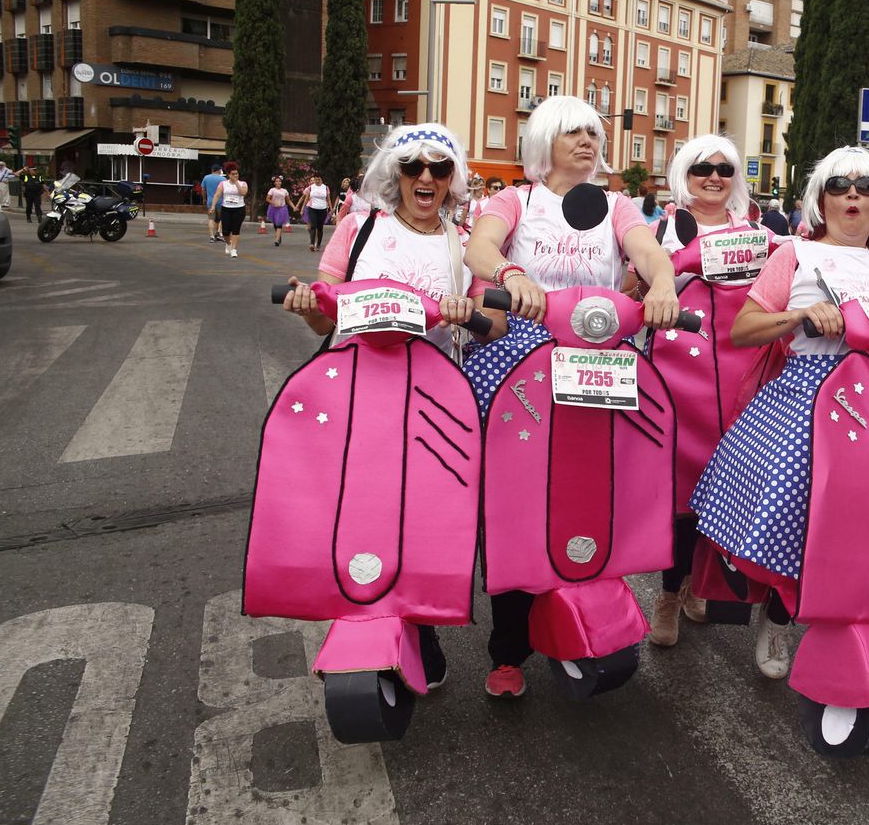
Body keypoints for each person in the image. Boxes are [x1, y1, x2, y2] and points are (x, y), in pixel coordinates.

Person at [692, 146, 869, 680]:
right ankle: (779, 617)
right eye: (839, 185)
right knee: (796, 511)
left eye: (865, 186)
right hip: (806, 398)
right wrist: (800, 315)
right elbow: (743, 330)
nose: (853, 193)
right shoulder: (793, 254)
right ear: (821, 199)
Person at [460, 95, 681, 700]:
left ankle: (594, 595)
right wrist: (510, 275)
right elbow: (479, 247)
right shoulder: (519, 199)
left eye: (592, 132)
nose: (586, 141)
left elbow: (648, 252)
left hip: (596, 358)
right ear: (544, 142)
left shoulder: (616, 204)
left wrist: (661, 283)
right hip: (524, 356)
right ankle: (508, 648)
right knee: (516, 499)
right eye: (571, 132)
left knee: (600, 486)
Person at [279, 122, 505, 692]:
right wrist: (308, 305)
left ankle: (419, 624)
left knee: (421, 515)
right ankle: (365, 611)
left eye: (439, 168)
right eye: (413, 167)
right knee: (359, 507)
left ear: (452, 180)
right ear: (396, 173)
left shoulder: (464, 240)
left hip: (432, 394)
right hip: (356, 391)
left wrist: (467, 314)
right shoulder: (359, 228)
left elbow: (492, 324)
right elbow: (325, 314)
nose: (425, 177)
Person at [644, 133, 766, 646]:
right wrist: (681, 264)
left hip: (744, 371)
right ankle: (669, 593)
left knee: (728, 488)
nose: (714, 177)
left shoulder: (759, 232)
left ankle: (700, 583)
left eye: (724, 169)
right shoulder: (661, 229)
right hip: (679, 374)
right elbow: (634, 290)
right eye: (702, 169)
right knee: (681, 492)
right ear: (684, 175)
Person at [212, 162, 248, 258]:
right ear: (228, 174)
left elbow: (243, 193)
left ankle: (234, 249)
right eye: (233, 174)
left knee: (236, 230)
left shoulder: (242, 183)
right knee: (225, 231)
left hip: (239, 209)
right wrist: (213, 206)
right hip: (226, 209)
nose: (235, 175)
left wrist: (236, 183)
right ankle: (228, 243)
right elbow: (217, 195)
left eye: (236, 173)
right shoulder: (223, 183)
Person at [302, 172, 331, 253]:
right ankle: (312, 244)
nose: (317, 181)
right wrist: (302, 208)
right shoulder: (311, 187)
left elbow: (328, 199)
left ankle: (318, 245)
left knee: (320, 227)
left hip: (323, 209)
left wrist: (331, 209)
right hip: (312, 209)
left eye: (319, 179)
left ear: (321, 179)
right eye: (316, 179)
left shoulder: (325, 188)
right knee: (313, 226)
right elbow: (306, 198)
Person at [201, 163, 226, 241]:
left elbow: (203, 190)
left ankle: (212, 236)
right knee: (223, 218)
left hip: (210, 202)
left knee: (211, 219)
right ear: (219, 170)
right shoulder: (223, 179)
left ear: (212, 170)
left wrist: (204, 199)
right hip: (221, 201)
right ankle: (219, 232)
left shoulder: (206, 178)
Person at [264, 175, 291, 247]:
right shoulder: (272, 190)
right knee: (275, 224)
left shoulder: (284, 191)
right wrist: (273, 203)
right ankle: (279, 237)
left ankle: (277, 240)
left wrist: (294, 207)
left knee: (279, 224)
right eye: (276, 181)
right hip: (273, 209)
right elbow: (267, 199)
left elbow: (288, 200)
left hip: (282, 208)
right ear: (274, 183)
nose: (278, 182)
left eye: (279, 181)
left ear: (281, 182)